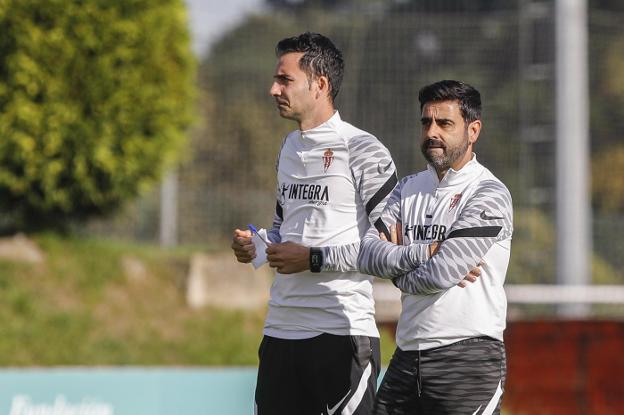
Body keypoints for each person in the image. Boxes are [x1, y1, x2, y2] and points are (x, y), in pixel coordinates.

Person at [231, 32, 398, 415]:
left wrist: (313, 259)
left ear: (320, 84)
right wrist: (255, 246)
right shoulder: (289, 148)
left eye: (285, 80)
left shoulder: (363, 148)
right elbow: (283, 231)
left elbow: (389, 246)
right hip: (280, 331)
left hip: (341, 334)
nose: (273, 89)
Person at [358, 80, 513, 415]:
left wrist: (397, 272)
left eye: (445, 124)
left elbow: (441, 274)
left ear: (473, 130)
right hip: (408, 354)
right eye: (426, 122)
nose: (432, 132)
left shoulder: (489, 192)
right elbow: (368, 254)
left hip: (468, 358)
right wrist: (426, 254)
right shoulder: (406, 188)